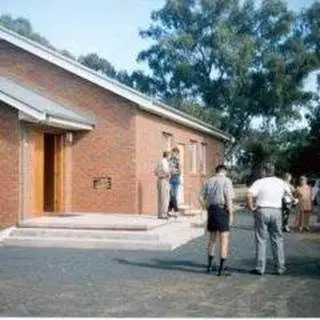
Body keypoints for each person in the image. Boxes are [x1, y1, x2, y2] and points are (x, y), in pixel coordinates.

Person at [246, 163, 296, 276]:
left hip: (262, 210)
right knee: (277, 239)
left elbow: (248, 194)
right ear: (273, 171)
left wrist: (251, 207)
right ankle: (280, 267)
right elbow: (290, 195)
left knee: (261, 239)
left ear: (264, 171)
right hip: (276, 211)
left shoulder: (259, 182)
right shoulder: (281, 182)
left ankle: (260, 267)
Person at [199, 164, 234, 276]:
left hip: (212, 209)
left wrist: (206, 207)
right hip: (222, 209)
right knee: (224, 238)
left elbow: (200, 197)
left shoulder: (209, 180)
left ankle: (209, 265)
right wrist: (231, 213)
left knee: (212, 238)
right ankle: (221, 268)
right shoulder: (226, 181)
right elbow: (228, 197)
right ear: (224, 171)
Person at [154, 151, 171, 219]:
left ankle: (159, 214)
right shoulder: (165, 162)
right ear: (167, 156)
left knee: (160, 198)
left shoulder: (159, 161)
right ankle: (164, 214)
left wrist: (159, 174)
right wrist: (169, 174)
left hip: (159, 180)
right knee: (165, 198)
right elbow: (166, 170)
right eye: (169, 156)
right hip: (164, 180)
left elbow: (155, 171)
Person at [168, 147, 181, 218]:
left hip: (176, 179)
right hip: (170, 179)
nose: (173, 154)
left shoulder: (178, 161)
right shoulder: (169, 160)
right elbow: (168, 169)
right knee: (171, 195)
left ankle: (172, 210)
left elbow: (179, 171)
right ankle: (174, 210)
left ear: (177, 153)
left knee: (174, 195)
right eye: (173, 152)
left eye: (175, 153)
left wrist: (173, 171)